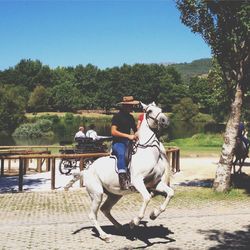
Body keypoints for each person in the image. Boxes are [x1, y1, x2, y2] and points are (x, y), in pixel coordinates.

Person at [111, 96, 139, 190]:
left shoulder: (130, 117)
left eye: (132, 106)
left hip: (129, 142)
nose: (131, 108)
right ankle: (122, 180)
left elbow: (135, 130)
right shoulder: (117, 117)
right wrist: (128, 136)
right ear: (124, 106)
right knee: (122, 154)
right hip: (118, 143)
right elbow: (113, 132)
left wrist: (137, 135)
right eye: (130, 106)